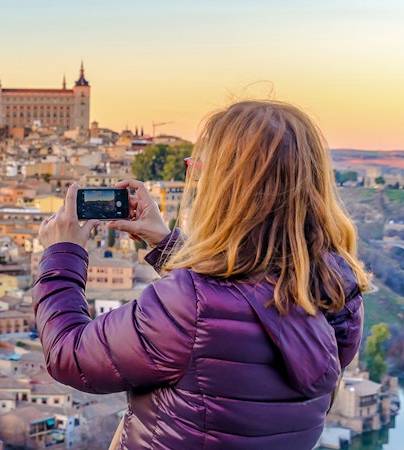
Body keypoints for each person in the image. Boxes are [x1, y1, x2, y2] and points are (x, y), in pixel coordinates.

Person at [33, 100, 368, 450]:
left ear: (224, 189)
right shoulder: (338, 290)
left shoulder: (188, 304)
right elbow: (241, 299)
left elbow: (68, 355)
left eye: (199, 169)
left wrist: (62, 254)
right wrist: (166, 243)